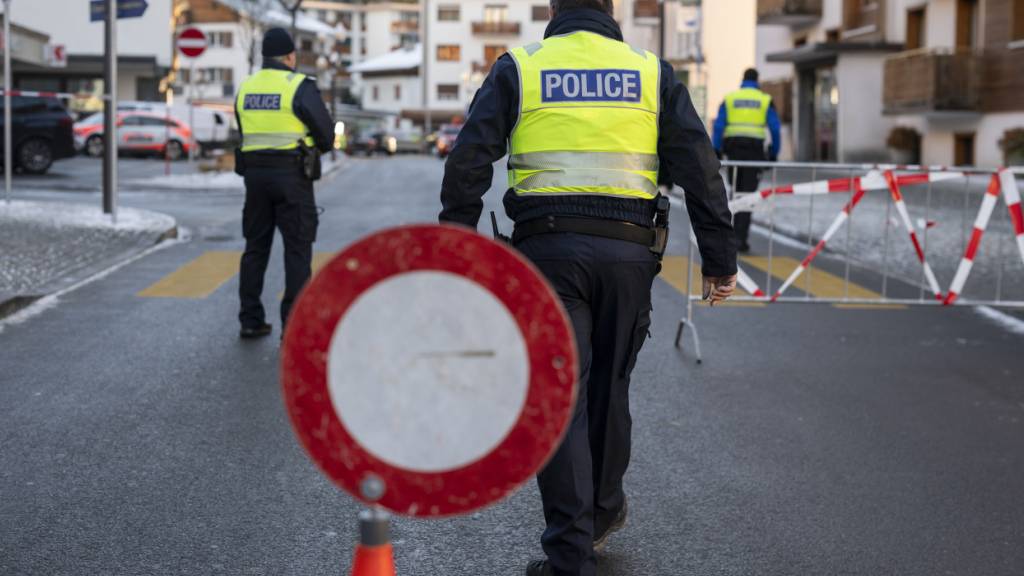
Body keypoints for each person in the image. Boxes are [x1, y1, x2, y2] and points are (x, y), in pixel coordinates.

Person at [438, 1, 738, 574]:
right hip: (629, 253)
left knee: (559, 396)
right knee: (610, 385)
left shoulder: (521, 66)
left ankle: (570, 550)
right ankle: (600, 515)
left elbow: (469, 158)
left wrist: (456, 243)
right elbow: (699, 165)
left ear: (554, 6)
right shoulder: (651, 72)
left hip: (547, 254)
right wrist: (720, 258)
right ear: (610, 7)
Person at [234, 27, 334, 339]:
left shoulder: (246, 87)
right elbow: (326, 135)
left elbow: (243, 129)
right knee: (297, 249)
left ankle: (250, 319)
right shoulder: (298, 86)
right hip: (292, 176)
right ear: (290, 56)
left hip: (254, 177)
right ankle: (292, 325)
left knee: (255, 247)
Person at [712, 68, 782, 253]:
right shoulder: (765, 100)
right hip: (754, 153)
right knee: (748, 195)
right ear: (757, 81)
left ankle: (730, 237)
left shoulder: (730, 99)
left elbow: (719, 126)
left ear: (742, 80)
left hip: (733, 151)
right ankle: (740, 239)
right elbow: (775, 129)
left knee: (735, 192)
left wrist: (716, 150)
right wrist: (774, 153)